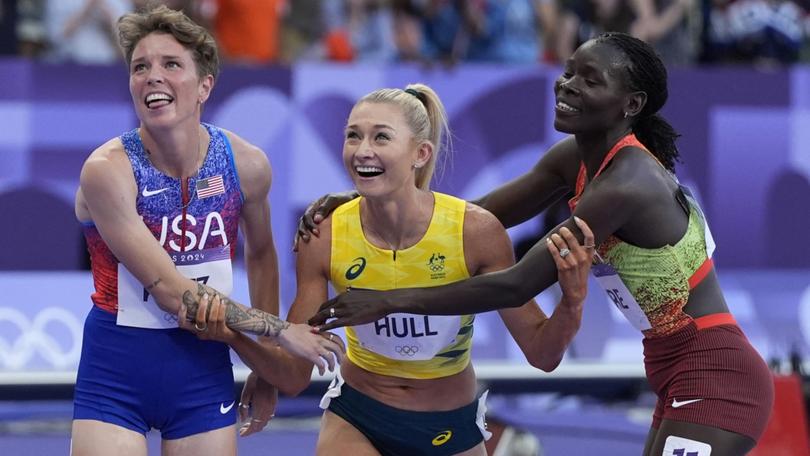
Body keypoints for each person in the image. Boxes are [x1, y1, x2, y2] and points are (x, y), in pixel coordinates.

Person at [304, 32, 774, 455]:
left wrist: (387, 301)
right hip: (674, 366)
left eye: (590, 81)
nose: (567, 85)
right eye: (569, 71)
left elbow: (515, 285)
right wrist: (375, 193)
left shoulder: (627, 184)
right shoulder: (577, 158)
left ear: (630, 104)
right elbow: (470, 220)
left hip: (716, 372)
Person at [189, 83, 594, 455]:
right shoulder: (325, 233)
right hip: (359, 417)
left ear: (421, 153)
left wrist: (572, 303)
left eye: (381, 137)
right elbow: (295, 377)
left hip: (451, 425)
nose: (362, 149)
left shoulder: (476, 232)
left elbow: (542, 354)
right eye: (353, 135)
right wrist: (231, 336)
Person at [72, 6, 342, 456]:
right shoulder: (107, 171)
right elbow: (173, 294)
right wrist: (280, 333)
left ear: (204, 87)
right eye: (140, 67)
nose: (152, 76)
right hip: (115, 373)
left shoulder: (246, 164)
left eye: (171, 64)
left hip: (201, 374)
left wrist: (266, 365)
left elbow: (260, 254)